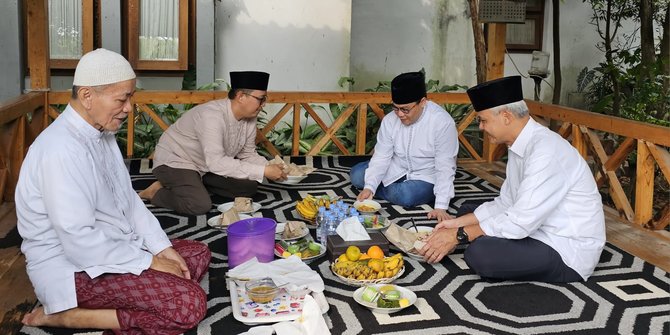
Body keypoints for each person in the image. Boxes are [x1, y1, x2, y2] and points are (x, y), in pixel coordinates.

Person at [15, 48, 211, 334]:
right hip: (73, 269)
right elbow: (78, 240)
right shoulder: (59, 150)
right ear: (86, 96)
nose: (129, 108)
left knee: (196, 252)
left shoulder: (101, 134)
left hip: (112, 247)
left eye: (130, 97)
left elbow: (129, 202)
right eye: (122, 99)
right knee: (188, 304)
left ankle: (145, 295)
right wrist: (148, 261)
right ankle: (64, 315)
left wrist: (162, 249)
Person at [419, 76, 605, 283]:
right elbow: (506, 203)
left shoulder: (546, 151)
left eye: (483, 120)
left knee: (480, 254)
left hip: (565, 248)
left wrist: (459, 235)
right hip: (535, 228)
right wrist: (456, 224)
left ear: (506, 116)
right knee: (467, 212)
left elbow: (520, 221)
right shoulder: (520, 144)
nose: (480, 127)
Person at [139, 71, 287, 215]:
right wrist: (264, 171)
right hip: (176, 161)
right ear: (241, 96)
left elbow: (247, 154)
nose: (264, 104)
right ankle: (156, 192)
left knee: (249, 187)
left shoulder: (249, 117)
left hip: (207, 166)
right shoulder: (212, 116)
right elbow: (217, 162)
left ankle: (195, 183)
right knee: (199, 205)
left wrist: (271, 166)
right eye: (261, 99)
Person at [350, 71, 459, 221]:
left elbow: (445, 166)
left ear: (422, 102)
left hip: (426, 175)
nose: (400, 114)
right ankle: (378, 187)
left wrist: (441, 206)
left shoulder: (442, 123)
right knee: (356, 175)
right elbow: (382, 156)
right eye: (395, 108)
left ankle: (385, 189)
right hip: (395, 167)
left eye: (405, 109)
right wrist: (369, 186)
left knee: (406, 195)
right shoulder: (390, 120)